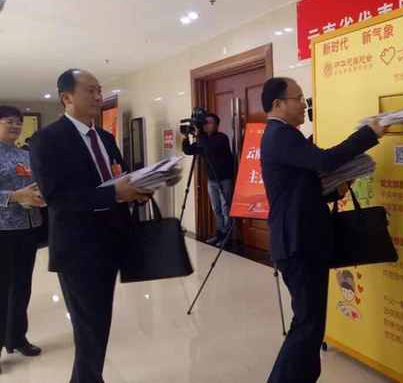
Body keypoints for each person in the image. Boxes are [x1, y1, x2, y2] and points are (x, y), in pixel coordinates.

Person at [260, 77, 387, 383]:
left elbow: (297, 189)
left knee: (310, 324)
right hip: (297, 243)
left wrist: (333, 191)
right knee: (307, 325)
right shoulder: (280, 135)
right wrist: (369, 134)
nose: (303, 104)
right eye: (298, 98)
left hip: (303, 240)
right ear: (278, 104)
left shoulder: (283, 135)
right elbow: (325, 161)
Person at [30, 69, 152, 383]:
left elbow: (121, 178)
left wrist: (141, 189)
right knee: (89, 328)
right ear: (66, 97)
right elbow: (57, 198)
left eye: (100, 90)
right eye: (90, 91)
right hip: (78, 249)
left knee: (99, 323)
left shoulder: (106, 139)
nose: (99, 97)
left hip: (112, 242)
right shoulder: (47, 140)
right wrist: (114, 193)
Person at [0, 106, 46, 374]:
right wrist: (14, 197)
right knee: (2, 289)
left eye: (18, 122)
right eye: (9, 121)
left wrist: (41, 195)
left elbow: (39, 183)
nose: (15, 126)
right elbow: (16, 193)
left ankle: (17, 337)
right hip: (3, 229)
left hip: (28, 227)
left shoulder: (26, 155)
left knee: (22, 286)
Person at [182, 113, 235, 245]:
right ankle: (219, 233)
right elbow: (188, 150)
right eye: (204, 123)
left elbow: (209, 148)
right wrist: (186, 137)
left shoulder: (221, 138)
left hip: (224, 179)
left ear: (216, 125)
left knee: (226, 208)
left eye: (209, 123)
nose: (205, 125)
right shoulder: (203, 139)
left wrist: (199, 134)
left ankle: (226, 236)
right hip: (211, 180)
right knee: (216, 208)